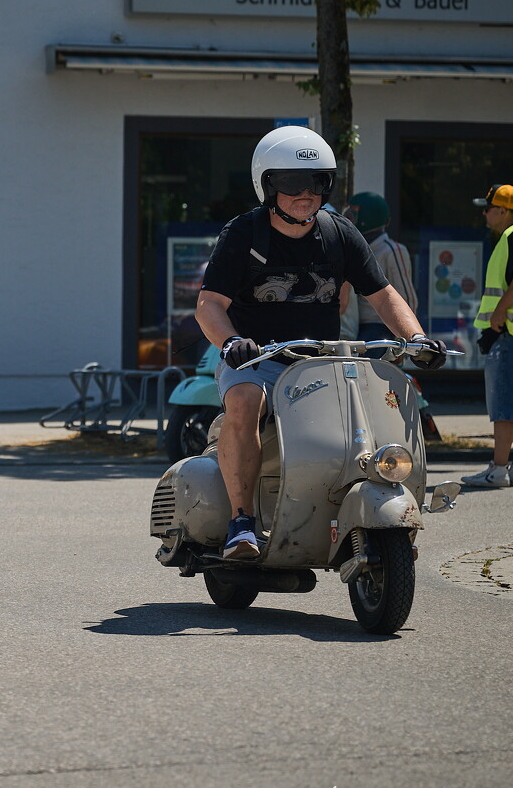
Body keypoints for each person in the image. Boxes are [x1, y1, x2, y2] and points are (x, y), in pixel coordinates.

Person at [195, 127, 444, 559]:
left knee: (378, 403)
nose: (305, 193)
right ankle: (241, 522)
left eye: (317, 182)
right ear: (267, 185)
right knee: (245, 399)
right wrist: (232, 342)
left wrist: (417, 338)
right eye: (292, 183)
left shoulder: (340, 233)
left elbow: (383, 294)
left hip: (325, 359)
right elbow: (209, 305)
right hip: (259, 358)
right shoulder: (243, 235)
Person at [461, 184, 513, 488]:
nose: (484, 213)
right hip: (505, 332)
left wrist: (497, 314)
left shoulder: (510, 236)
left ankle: (498, 469)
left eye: (488, 207)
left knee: (503, 407)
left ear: (503, 211)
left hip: (505, 333)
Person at [341, 192, 417, 343]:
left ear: (369, 216)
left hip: (380, 326)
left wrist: (403, 339)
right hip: (356, 326)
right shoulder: (352, 248)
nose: (348, 217)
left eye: (353, 212)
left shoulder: (392, 250)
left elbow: (407, 296)